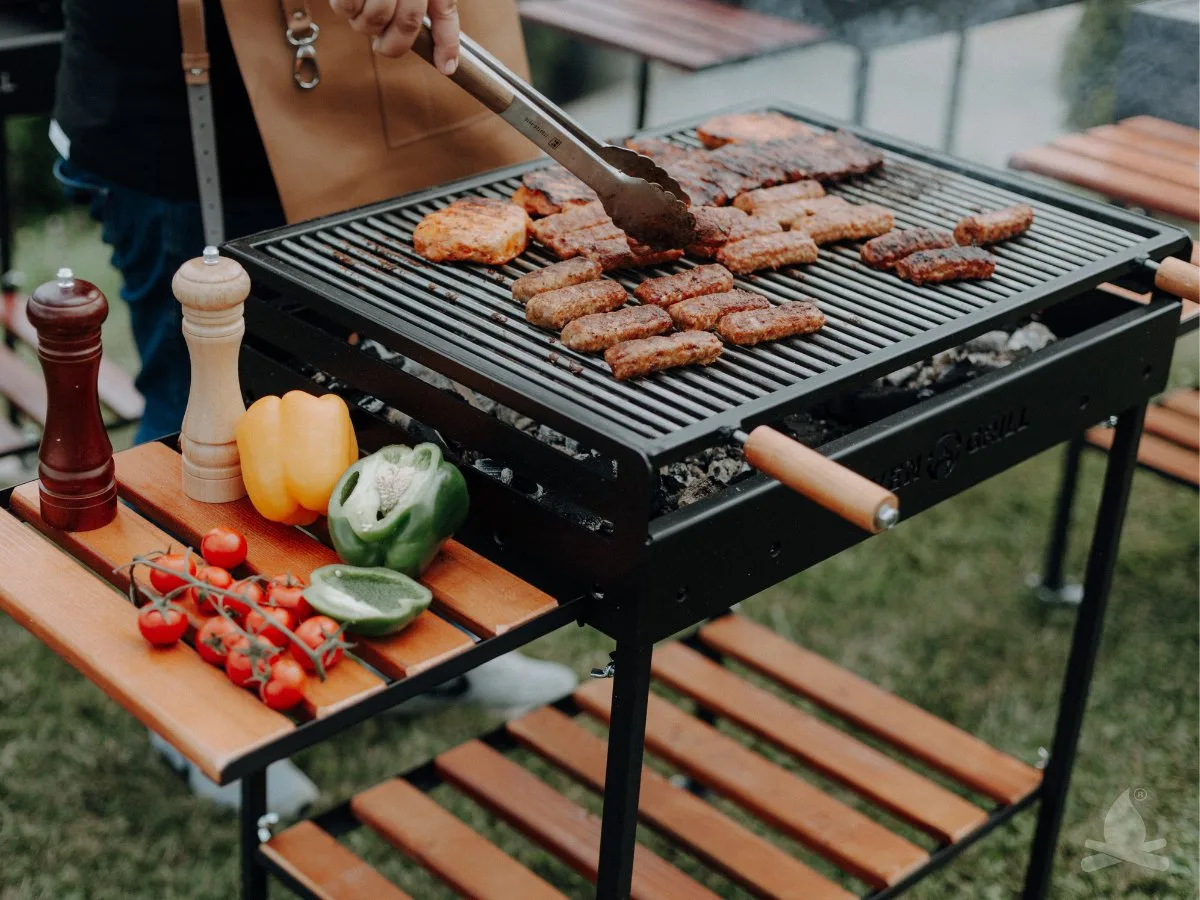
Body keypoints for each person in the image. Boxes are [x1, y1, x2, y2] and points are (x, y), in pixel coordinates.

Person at [50, 0, 575, 815]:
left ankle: (407, 640)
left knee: (375, 405)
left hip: (367, 99)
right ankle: (199, 694)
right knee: (203, 411)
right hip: (184, 114)